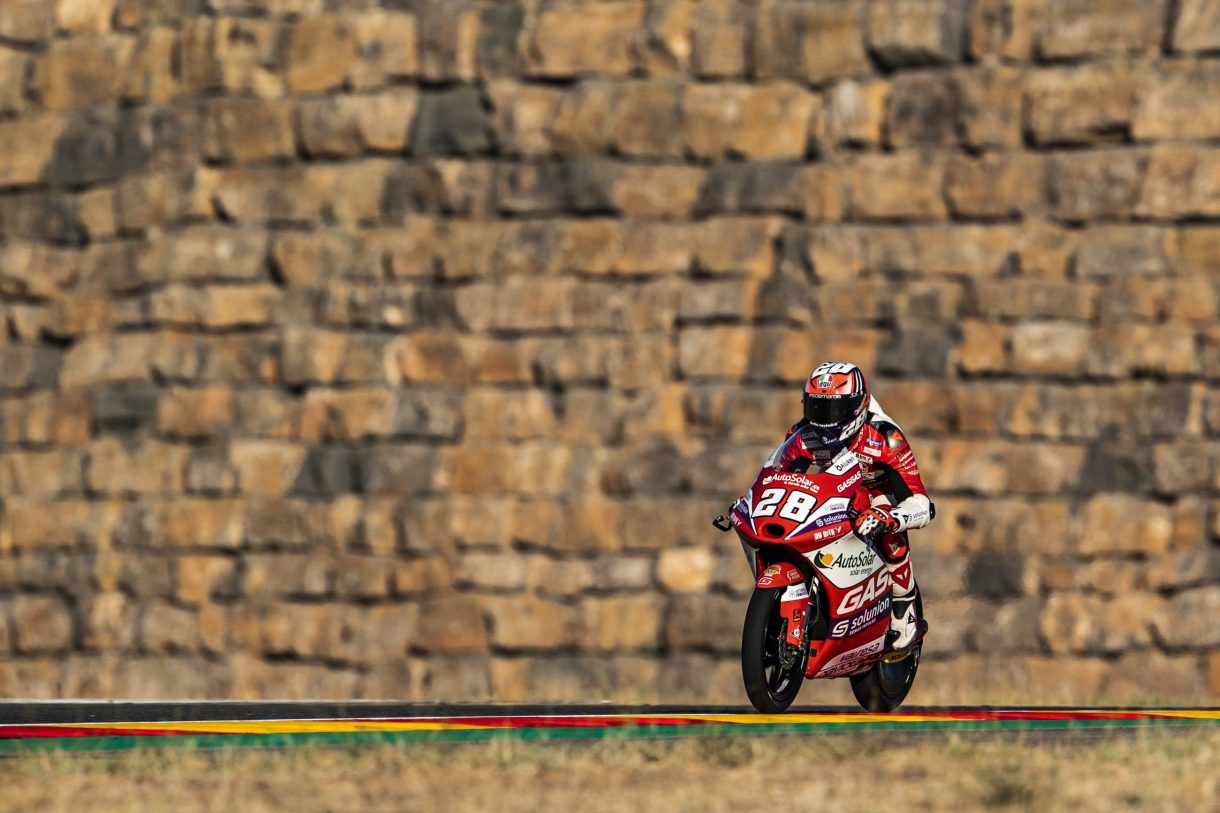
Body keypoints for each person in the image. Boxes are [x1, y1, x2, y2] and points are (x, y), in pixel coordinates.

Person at [785, 361, 932, 650]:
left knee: (885, 524)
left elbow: (923, 505)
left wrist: (890, 517)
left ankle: (903, 605)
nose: (824, 421)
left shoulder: (886, 437)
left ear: (857, 407)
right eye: (817, 408)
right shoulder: (802, 434)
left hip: (879, 494)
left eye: (834, 410)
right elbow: (784, 475)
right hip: (832, 491)